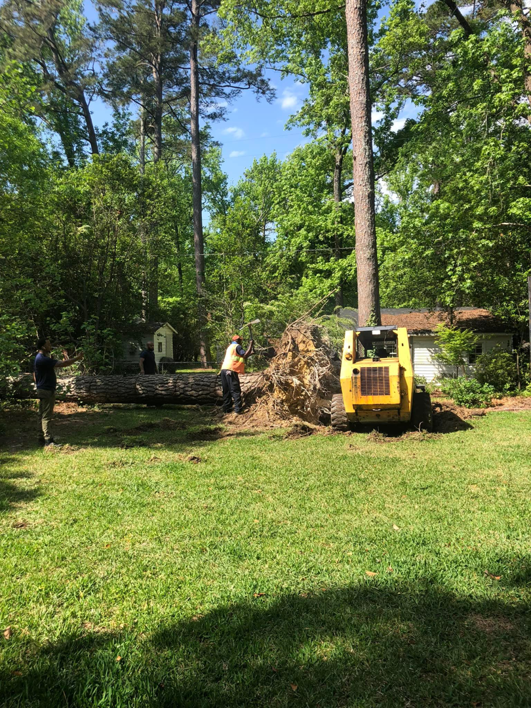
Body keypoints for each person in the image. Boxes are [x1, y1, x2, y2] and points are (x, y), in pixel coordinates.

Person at [33, 338, 83, 447]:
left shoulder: (39, 358)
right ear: (43, 347)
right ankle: (48, 440)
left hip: (42, 389)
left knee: (41, 414)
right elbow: (64, 363)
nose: (50, 346)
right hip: (46, 390)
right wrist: (77, 358)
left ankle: (40, 438)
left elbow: (34, 374)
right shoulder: (42, 359)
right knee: (46, 416)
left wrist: (39, 384)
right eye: (48, 344)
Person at [220, 334, 254, 414]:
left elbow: (240, 357)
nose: (241, 341)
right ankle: (238, 410)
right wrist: (251, 345)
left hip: (224, 370)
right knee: (235, 389)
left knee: (226, 390)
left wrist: (251, 352)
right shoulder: (237, 346)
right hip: (231, 369)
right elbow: (244, 355)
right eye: (241, 340)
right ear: (238, 340)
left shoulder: (230, 347)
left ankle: (227, 409)